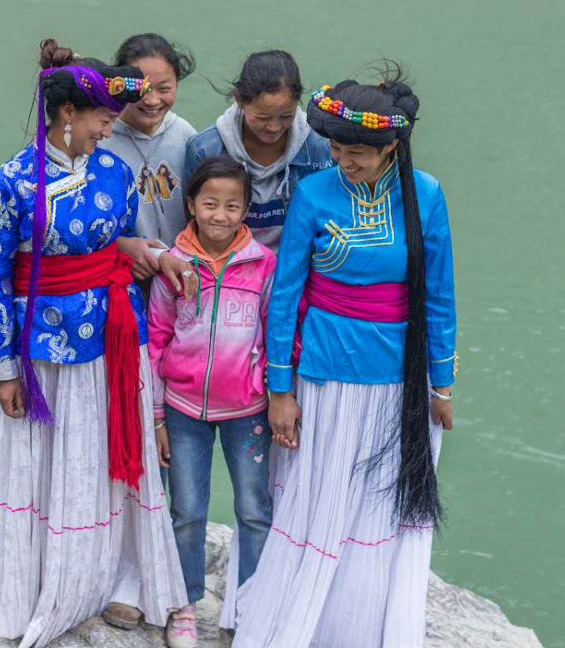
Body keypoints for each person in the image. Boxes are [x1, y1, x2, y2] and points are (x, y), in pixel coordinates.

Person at [231, 67, 457, 648]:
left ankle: (358, 628)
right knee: (318, 502)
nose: (342, 160)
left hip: (396, 381)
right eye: (335, 148)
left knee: (377, 509)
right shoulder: (314, 193)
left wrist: (441, 385)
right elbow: (285, 296)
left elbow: (438, 296)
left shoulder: (426, 195)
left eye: (356, 152)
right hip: (324, 375)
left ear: (391, 148)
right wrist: (280, 390)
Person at [0, 39, 188, 648]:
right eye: (102, 118)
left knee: (104, 461)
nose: (109, 128)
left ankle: (113, 576)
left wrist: (151, 252)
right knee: (48, 466)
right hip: (43, 349)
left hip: (114, 337)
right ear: (67, 113)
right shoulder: (9, 183)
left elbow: (117, 240)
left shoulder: (113, 171)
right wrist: (3, 369)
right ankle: (49, 583)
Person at [148, 156, 276, 648]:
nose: (220, 215)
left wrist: (272, 390)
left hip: (248, 409)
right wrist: (157, 417)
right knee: (187, 510)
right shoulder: (173, 266)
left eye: (232, 205)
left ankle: (251, 605)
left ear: (246, 210)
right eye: (210, 204)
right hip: (182, 409)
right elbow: (156, 339)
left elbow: (276, 330)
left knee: (254, 510)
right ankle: (184, 605)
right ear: (191, 204)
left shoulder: (262, 265)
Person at [183, 50, 333, 253]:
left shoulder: (321, 146)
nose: (274, 127)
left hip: (298, 266)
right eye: (262, 117)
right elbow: (192, 226)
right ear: (239, 99)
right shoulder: (204, 150)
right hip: (227, 268)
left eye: (286, 116)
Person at [103, 33, 198, 291]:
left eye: (164, 89)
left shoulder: (187, 137)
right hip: (124, 285)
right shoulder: (101, 140)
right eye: (141, 89)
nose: (152, 100)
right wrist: (122, 246)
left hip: (182, 280)